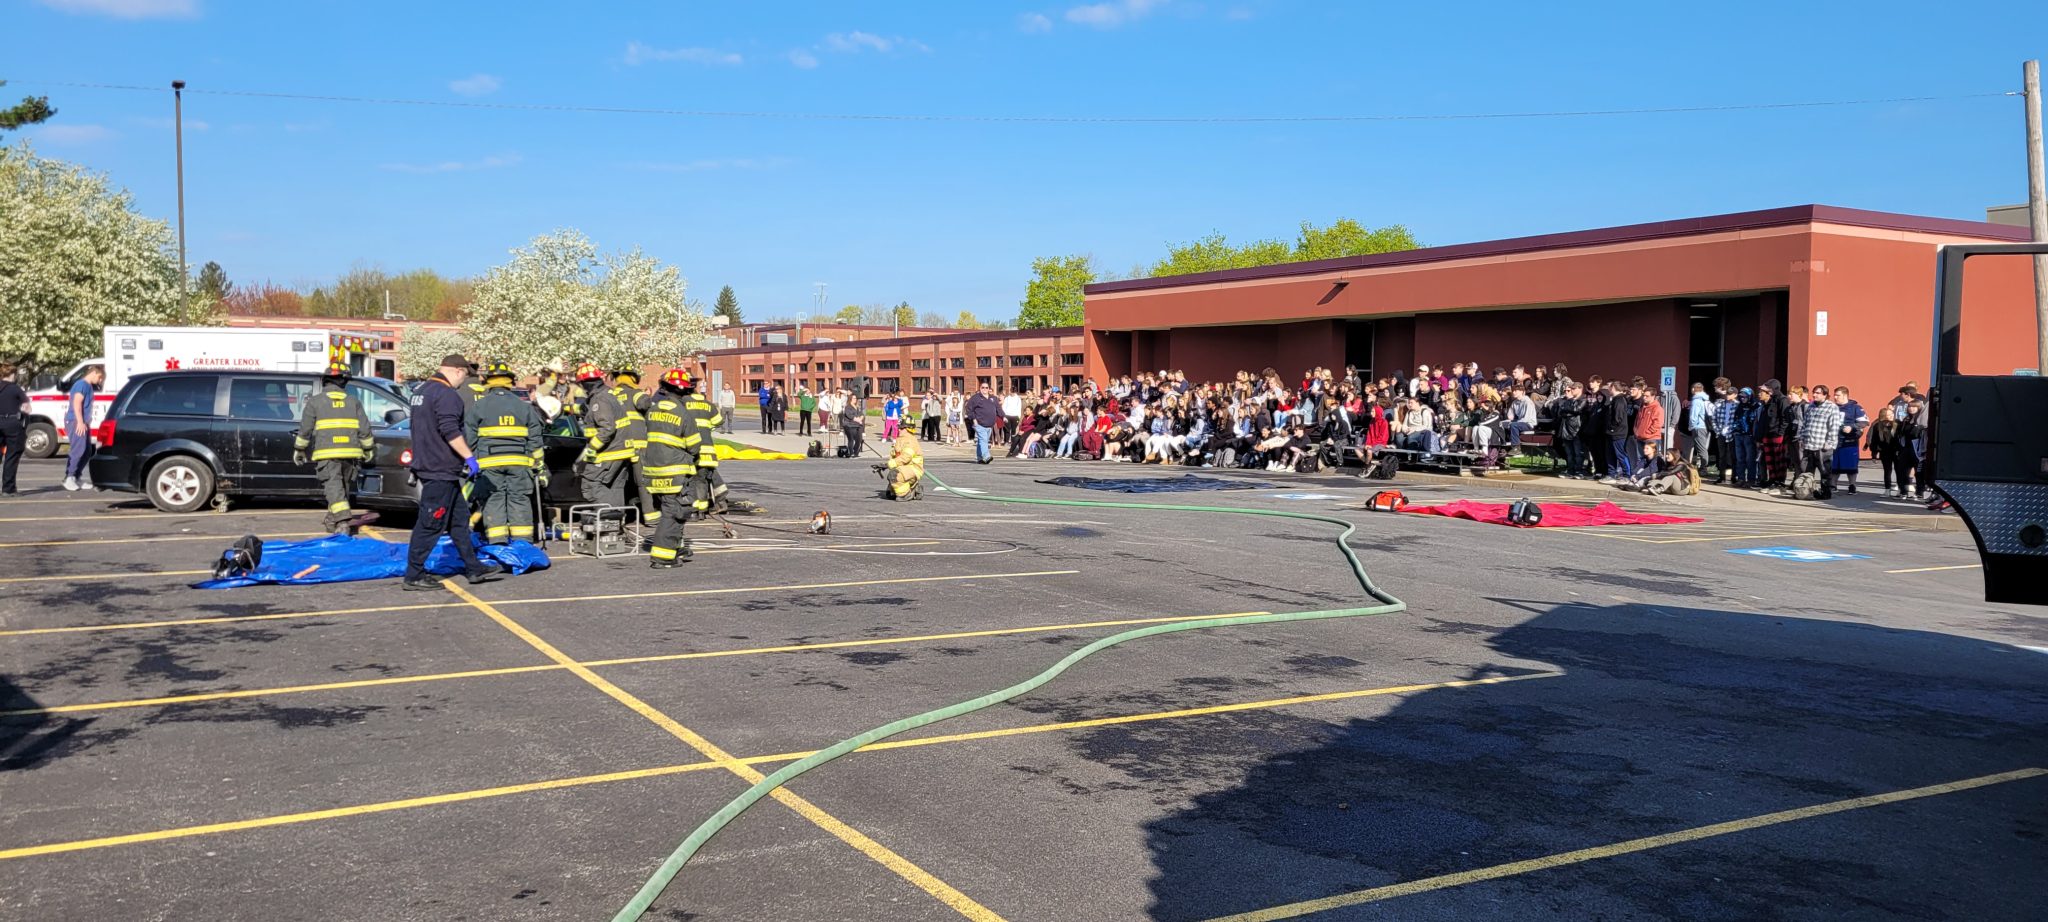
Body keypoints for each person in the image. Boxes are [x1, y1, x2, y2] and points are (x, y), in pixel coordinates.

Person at [402, 354, 501, 591]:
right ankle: (414, 574)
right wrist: (468, 457)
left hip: (432, 464)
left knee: (459, 521)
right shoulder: (447, 395)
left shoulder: (421, 390)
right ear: (457, 371)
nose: (464, 382)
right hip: (440, 469)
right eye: (465, 376)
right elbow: (449, 430)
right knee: (430, 523)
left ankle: (473, 568)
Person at [464, 362, 545, 544]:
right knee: (519, 499)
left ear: (488, 382)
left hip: (489, 464)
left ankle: (497, 542)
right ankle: (523, 542)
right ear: (510, 382)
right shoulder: (524, 407)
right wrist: (539, 465)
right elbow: (536, 441)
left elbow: (469, 439)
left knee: (494, 499)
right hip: (520, 464)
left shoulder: (479, 406)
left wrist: (470, 461)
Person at [292, 361, 374, 533]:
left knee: (334, 488)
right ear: (344, 382)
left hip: (327, 455)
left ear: (326, 380)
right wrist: (368, 449)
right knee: (340, 489)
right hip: (351, 455)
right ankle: (331, 520)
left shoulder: (315, 402)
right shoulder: (354, 402)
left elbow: (305, 429)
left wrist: (300, 449)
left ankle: (343, 522)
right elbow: (365, 430)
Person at [641, 368, 705, 568]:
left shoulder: (653, 410)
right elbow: (694, 445)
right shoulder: (683, 413)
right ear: (684, 390)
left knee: (669, 509)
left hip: (653, 470)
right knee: (674, 513)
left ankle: (675, 548)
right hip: (675, 471)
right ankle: (661, 557)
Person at [579, 369, 634, 509]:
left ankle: (606, 519)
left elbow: (607, 429)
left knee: (591, 484)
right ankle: (614, 523)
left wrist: (590, 450)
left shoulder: (600, 399)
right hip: (622, 451)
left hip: (609, 452)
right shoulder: (608, 394)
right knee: (614, 487)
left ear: (586, 384)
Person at [62, 364, 104, 491]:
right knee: (78, 449)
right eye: (100, 377)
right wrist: (80, 422)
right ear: (94, 373)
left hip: (83, 422)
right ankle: (69, 478)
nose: (100, 380)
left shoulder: (88, 386)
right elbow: (77, 403)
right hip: (75, 421)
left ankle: (76, 477)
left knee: (87, 451)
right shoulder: (81, 384)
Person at [1798, 386, 1844, 499]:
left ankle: (1826, 493)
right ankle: (1807, 492)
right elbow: (1805, 424)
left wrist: (1829, 442)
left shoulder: (1831, 407)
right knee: (1806, 472)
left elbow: (1834, 427)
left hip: (1822, 447)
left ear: (1825, 395)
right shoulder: (1811, 406)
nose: (1814, 395)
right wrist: (1802, 439)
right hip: (1808, 445)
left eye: (1817, 393)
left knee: (1825, 472)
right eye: (1814, 393)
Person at [1830, 387, 1868, 495]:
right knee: (1834, 464)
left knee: (1851, 465)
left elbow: (1864, 422)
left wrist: (1852, 427)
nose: (1835, 397)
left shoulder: (1855, 408)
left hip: (1849, 441)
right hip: (1835, 440)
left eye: (1838, 395)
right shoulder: (1832, 407)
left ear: (1845, 395)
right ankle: (1833, 485)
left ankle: (1852, 485)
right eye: (1835, 395)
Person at [0, 362, 29, 496]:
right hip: (12, 423)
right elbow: (26, 408)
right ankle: (8, 488)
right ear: (13, 374)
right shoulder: (16, 389)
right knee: (12, 456)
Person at [879, 430, 925, 500]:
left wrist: (888, 464)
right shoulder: (900, 439)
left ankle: (907, 494)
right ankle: (913, 487)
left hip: (913, 469)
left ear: (908, 429)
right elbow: (895, 457)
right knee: (890, 495)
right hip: (902, 469)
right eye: (899, 427)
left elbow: (906, 457)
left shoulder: (909, 441)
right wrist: (884, 465)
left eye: (902, 428)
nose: (899, 429)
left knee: (894, 475)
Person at [1603, 381, 1635, 482]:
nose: (1609, 389)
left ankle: (1627, 475)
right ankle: (1611, 474)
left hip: (1618, 432)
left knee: (1620, 454)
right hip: (1611, 432)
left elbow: (1618, 417)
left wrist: (1612, 427)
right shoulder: (1614, 400)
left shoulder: (1620, 400)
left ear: (1614, 388)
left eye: (1610, 387)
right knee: (1610, 454)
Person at [965, 383, 1002, 463]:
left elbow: (998, 409)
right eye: (983, 387)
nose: (985, 389)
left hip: (990, 424)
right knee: (983, 439)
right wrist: (974, 419)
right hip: (979, 423)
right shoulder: (975, 398)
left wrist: (1003, 416)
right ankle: (986, 456)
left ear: (989, 389)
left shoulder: (993, 398)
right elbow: (969, 409)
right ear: (980, 388)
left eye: (986, 387)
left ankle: (979, 457)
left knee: (981, 441)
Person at [1686, 383, 1714, 472]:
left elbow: (1693, 416)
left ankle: (1703, 468)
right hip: (1705, 426)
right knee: (1703, 447)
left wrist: (1691, 426)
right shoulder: (1705, 400)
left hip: (1698, 427)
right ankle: (1703, 466)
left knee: (1701, 448)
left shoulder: (1696, 401)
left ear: (1694, 389)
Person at [838, 392, 867, 458]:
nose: (855, 399)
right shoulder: (847, 407)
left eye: (856, 398)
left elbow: (862, 414)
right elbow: (849, 416)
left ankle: (855, 452)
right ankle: (851, 453)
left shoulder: (857, 407)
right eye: (854, 398)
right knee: (851, 439)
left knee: (859, 439)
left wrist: (861, 418)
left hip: (858, 425)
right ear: (850, 399)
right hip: (849, 425)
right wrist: (858, 420)